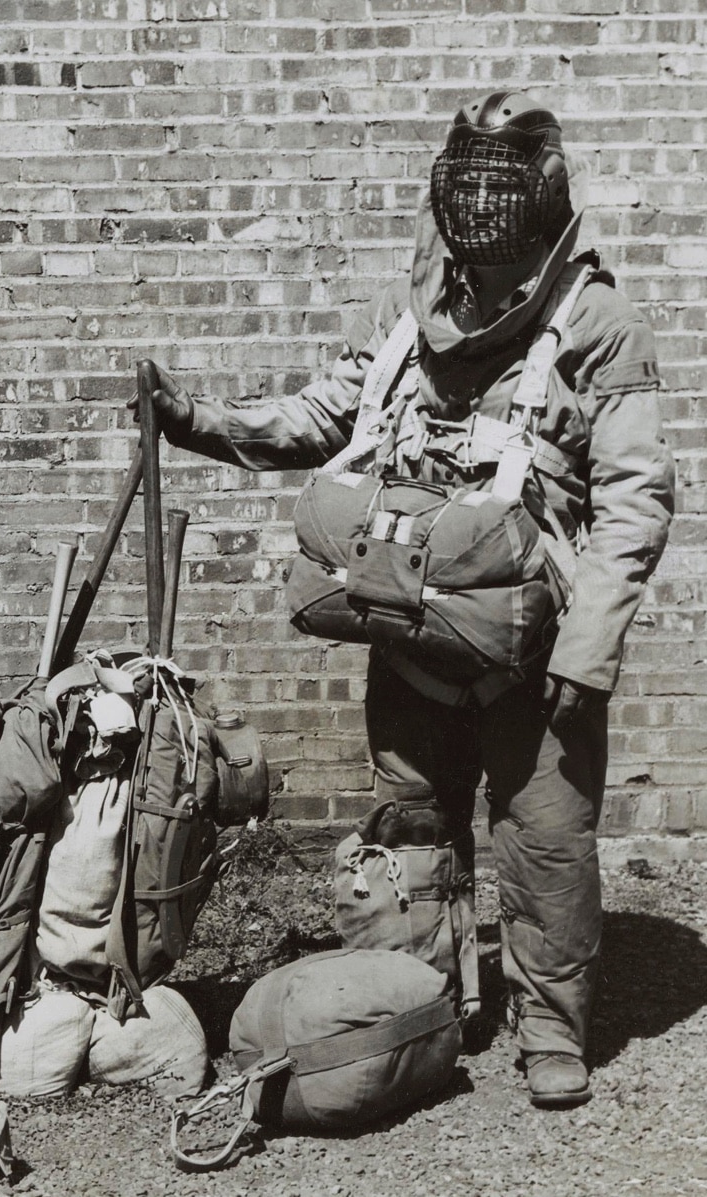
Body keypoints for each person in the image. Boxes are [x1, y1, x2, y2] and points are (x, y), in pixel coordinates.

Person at [139, 91, 674, 1108]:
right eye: (464, 188)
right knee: (410, 825)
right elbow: (320, 414)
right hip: (409, 625)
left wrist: (586, 652)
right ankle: (421, 997)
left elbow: (635, 494)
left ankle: (549, 1031)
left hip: (539, 643)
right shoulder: (406, 309)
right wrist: (199, 421)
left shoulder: (596, 322)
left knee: (544, 840)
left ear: (543, 199)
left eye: (499, 192)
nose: (478, 216)